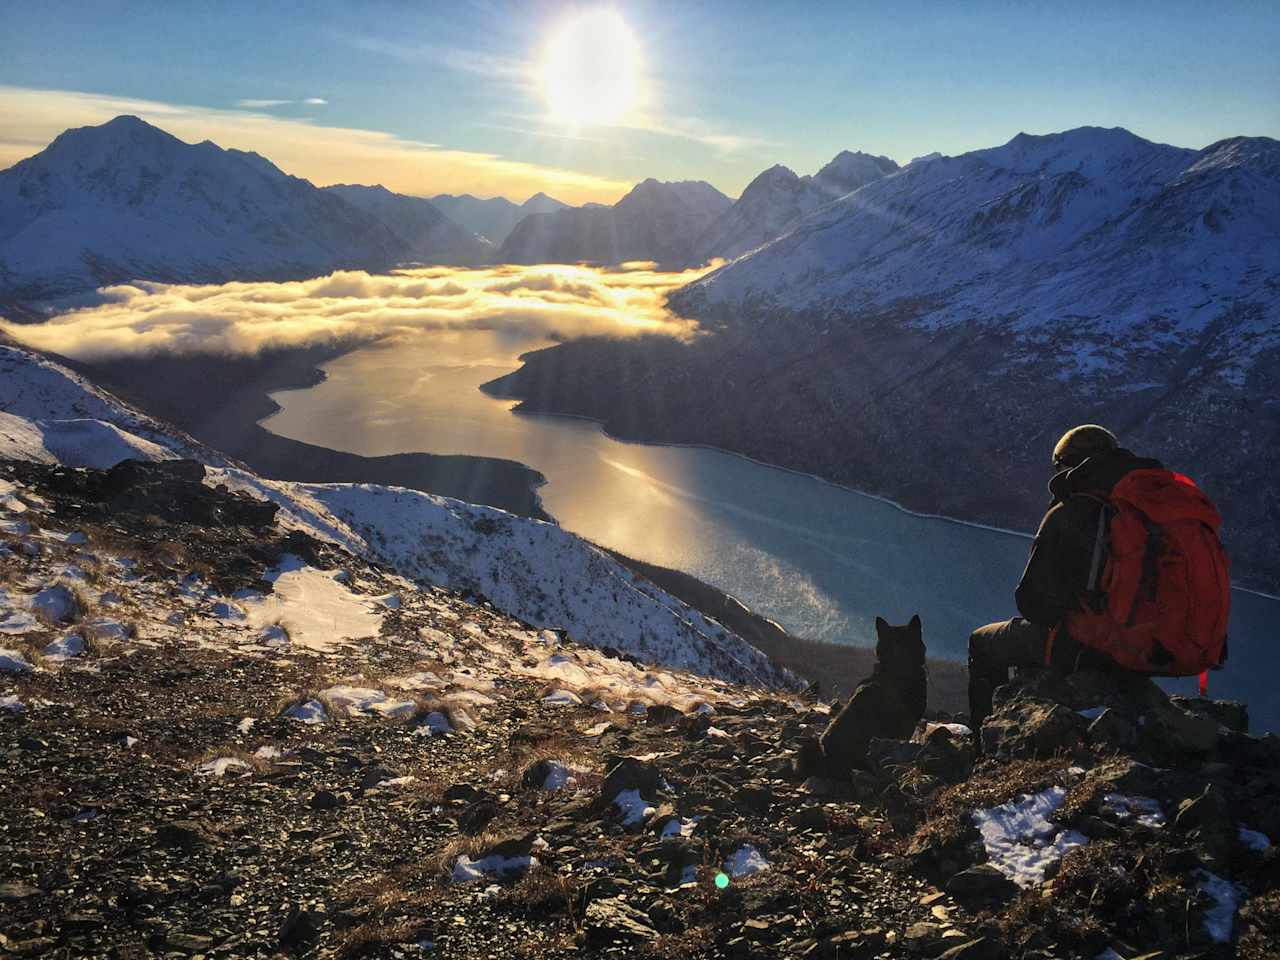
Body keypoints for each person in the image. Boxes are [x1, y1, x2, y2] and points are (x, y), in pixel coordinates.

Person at [967, 424, 1166, 733]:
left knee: (981, 642)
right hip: (1143, 649)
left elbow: (1030, 601)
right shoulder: (1147, 510)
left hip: (1084, 647)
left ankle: (983, 738)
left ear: (1069, 464)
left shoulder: (1070, 510)